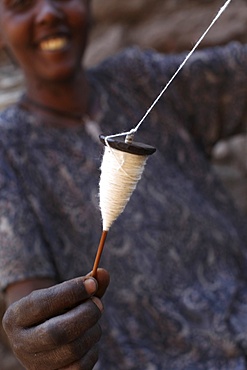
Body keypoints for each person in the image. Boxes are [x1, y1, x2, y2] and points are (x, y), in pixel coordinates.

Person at [0, 0, 247, 368]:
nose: (48, 12)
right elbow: (31, 300)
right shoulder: (7, 153)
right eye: (21, 4)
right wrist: (41, 338)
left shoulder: (140, 78)